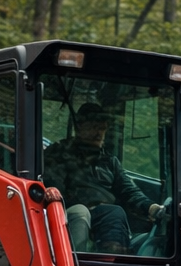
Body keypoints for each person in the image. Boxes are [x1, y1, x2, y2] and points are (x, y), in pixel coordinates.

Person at [43, 102, 164, 253]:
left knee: (116, 212)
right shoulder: (59, 153)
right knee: (83, 212)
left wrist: (151, 207)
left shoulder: (109, 161)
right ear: (79, 127)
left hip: (103, 213)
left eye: (102, 128)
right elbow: (54, 188)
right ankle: (74, 265)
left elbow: (129, 190)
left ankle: (114, 262)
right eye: (93, 127)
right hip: (69, 211)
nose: (98, 133)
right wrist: (85, 204)